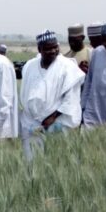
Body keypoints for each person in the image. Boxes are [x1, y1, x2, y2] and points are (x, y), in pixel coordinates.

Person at [19, 30, 85, 160]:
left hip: (58, 123)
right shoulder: (30, 66)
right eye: (48, 48)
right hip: (32, 123)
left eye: (55, 47)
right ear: (39, 49)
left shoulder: (67, 66)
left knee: (58, 160)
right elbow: (26, 93)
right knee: (32, 162)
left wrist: (53, 117)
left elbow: (71, 98)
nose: (53, 51)